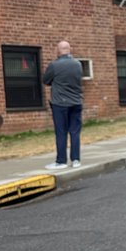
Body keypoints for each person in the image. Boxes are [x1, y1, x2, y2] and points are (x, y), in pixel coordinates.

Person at [41, 40, 83, 170]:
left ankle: (61, 161)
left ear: (58, 51)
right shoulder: (78, 64)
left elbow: (45, 81)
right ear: (69, 49)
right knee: (75, 132)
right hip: (76, 102)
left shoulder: (54, 65)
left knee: (61, 132)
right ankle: (76, 160)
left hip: (60, 103)